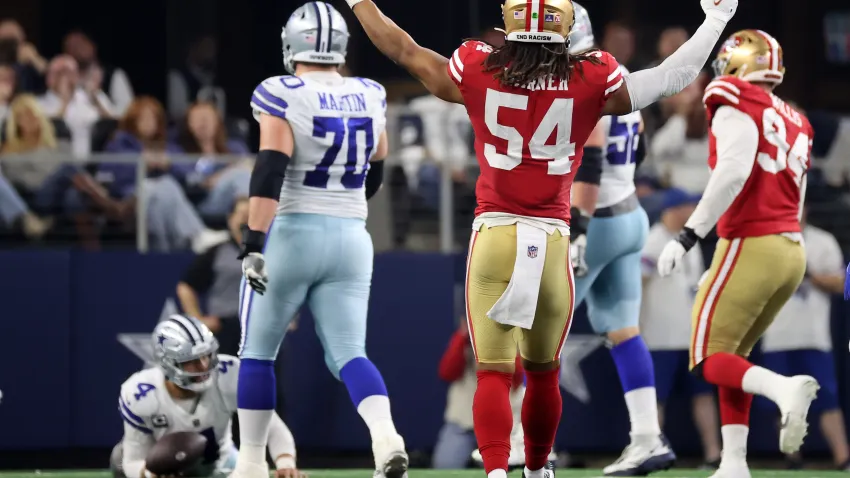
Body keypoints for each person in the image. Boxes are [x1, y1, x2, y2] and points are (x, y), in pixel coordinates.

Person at [345, 0, 739, 477]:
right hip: (553, 237)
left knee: (492, 370)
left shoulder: (478, 66)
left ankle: (495, 471)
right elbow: (674, 75)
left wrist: (359, 3)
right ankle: (535, 471)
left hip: (494, 234)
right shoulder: (590, 77)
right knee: (543, 372)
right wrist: (716, 19)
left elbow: (405, 52)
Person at [469, 4, 674, 474]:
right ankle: (646, 434)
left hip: (588, 219)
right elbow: (636, 146)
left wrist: (579, 228)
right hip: (630, 214)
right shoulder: (613, 71)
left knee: (529, 339)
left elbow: (593, 157)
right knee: (622, 327)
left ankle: (521, 442)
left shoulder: (578, 76)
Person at [232, 3, 406, 478]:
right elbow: (378, 168)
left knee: (257, 352)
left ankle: (249, 464)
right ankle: (385, 435)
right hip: (352, 234)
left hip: (293, 232)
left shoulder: (280, 92)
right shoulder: (369, 93)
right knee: (350, 352)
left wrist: (253, 243)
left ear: (293, 44)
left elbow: (270, 169)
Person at [656, 30, 820, 478]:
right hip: (791, 248)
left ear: (736, 63)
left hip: (751, 242)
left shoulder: (732, 96)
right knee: (733, 358)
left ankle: (783, 390)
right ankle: (733, 463)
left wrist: (689, 234)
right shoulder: (795, 117)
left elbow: (732, 171)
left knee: (708, 358)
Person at [111, 315, 305, 478]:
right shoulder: (140, 394)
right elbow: (133, 461)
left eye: (206, 355)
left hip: (224, 466)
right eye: (192, 360)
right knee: (119, 460)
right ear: (167, 362)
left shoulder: (230, 374)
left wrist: (285, 462)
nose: (204, 366)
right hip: (169, 471)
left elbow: (270, 424)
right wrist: (151, 472)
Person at [640, 189, 722, 469]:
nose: (693, 212)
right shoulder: (653, 239)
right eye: (689, 206)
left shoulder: (691, 242)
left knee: (702, 396)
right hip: (659, 337)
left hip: (690, 337)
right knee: (656, 400)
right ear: (674, 209)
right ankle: (653, 452)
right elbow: (639, 281)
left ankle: (714, 454)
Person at [761, 211, 849, 470]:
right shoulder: (767, 243)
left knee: (827, 399)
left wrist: (809, 274)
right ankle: (793, 459)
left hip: (814, 336)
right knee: (783, 402)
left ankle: (842, 458)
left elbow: (841, 283)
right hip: (777, 335)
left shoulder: (823, 241)